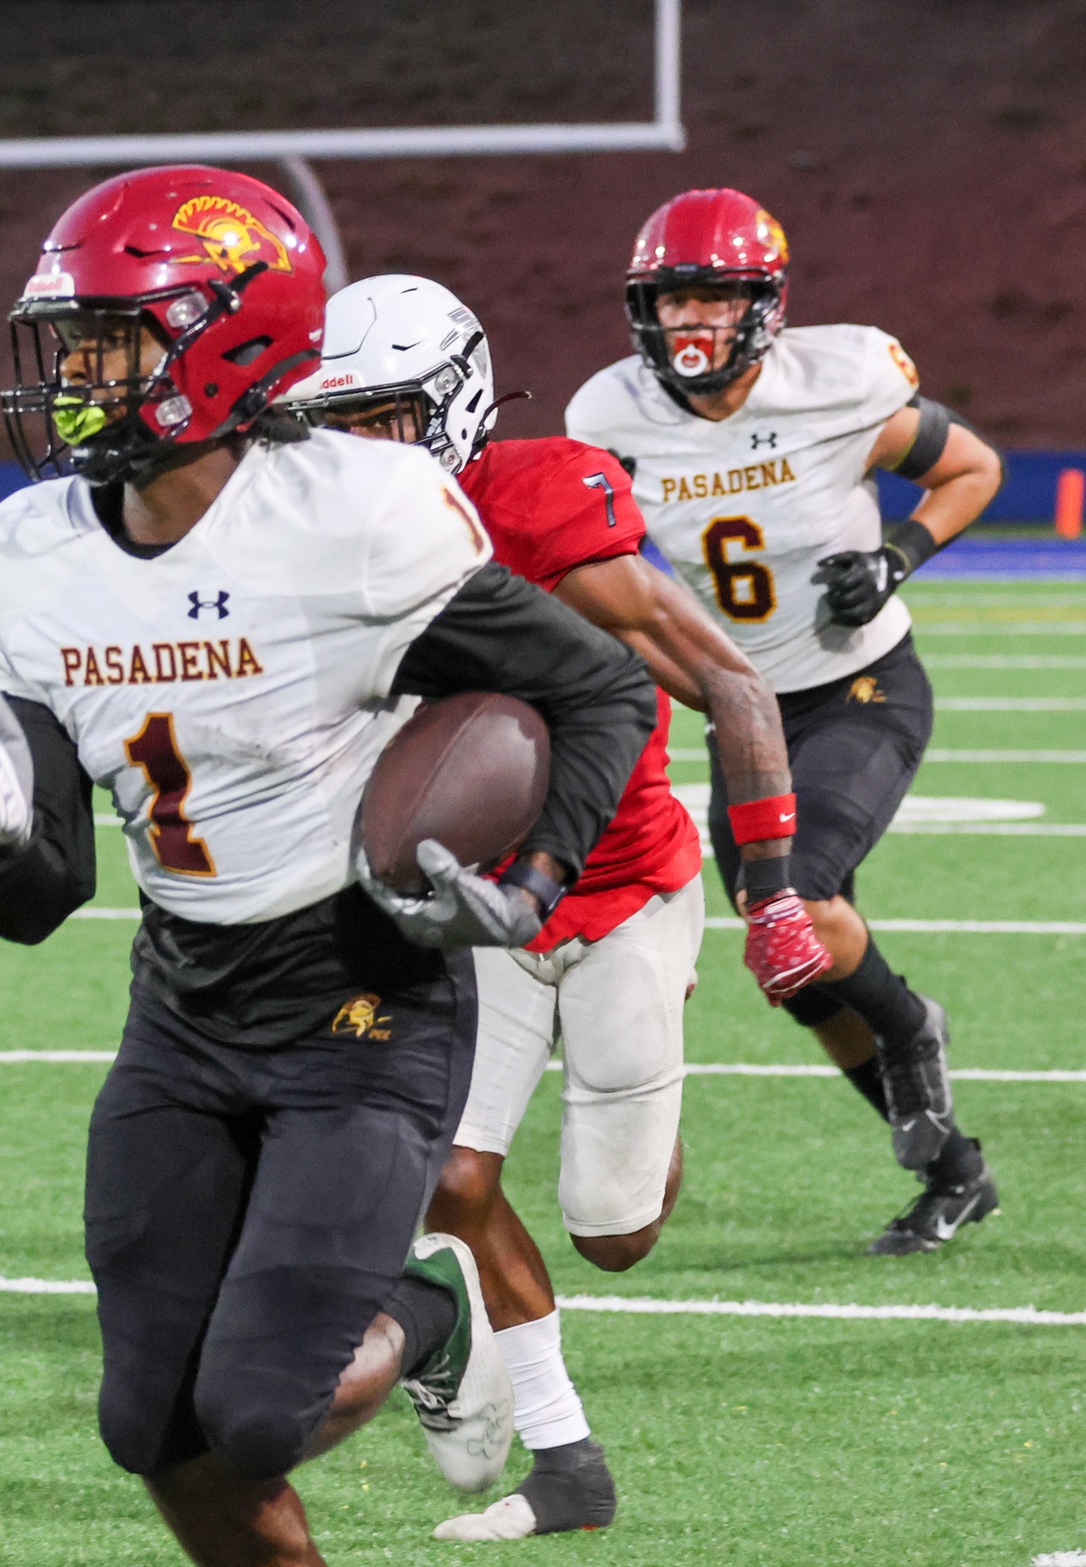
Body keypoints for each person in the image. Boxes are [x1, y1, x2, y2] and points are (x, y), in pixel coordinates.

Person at [0, 165, 662, 1567]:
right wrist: (3, 838)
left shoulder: (353, 513)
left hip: (362, 995)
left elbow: (600, 692)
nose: (76, 375)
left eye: (112, 338)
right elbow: (33, 910)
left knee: (259, 1411)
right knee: (145, 1424)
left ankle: (436, 1312)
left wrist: (525, 889)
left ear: (226, 340)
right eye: (71, 339)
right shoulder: (21, 559)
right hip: (182, 1001)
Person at [288, 274, 829, 1542]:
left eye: (387, 417)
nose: (361, 449)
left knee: (613, 1233)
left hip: (623, 889)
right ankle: (564, 1455)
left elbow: (732, 687)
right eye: (342, 421)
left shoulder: (533, 504)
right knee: (451, 1175)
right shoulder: (321, 537)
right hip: (473, 909)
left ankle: (641, 1100)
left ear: (455, 403)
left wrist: (772, 894)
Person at [565, 188, 1006, 1254]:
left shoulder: (838, 383)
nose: (689, 323)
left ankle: (909, 1030)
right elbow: (601, 562)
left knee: (795, 905)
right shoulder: (610, 415)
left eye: (713, 299)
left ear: (763, 307)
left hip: (860, 683)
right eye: (671, 301)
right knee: (797, 974)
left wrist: (896, 553)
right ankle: (953, 1170)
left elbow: (972, 466)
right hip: (740, 711)